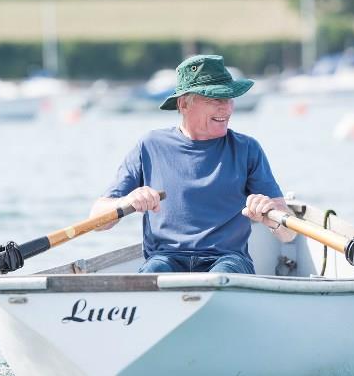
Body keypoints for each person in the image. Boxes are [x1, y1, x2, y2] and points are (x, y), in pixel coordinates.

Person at [90, 54, 294, 274]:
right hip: (165, 258)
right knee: (152, 273)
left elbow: (289, 234)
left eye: (228, 98)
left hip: (227, 259)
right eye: (215, 99)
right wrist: (128, 200)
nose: (226, 108)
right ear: (183, 104)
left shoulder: (247, 149)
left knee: (221, 275)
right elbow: (97, 220)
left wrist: (270, 216)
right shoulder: (149, 145)